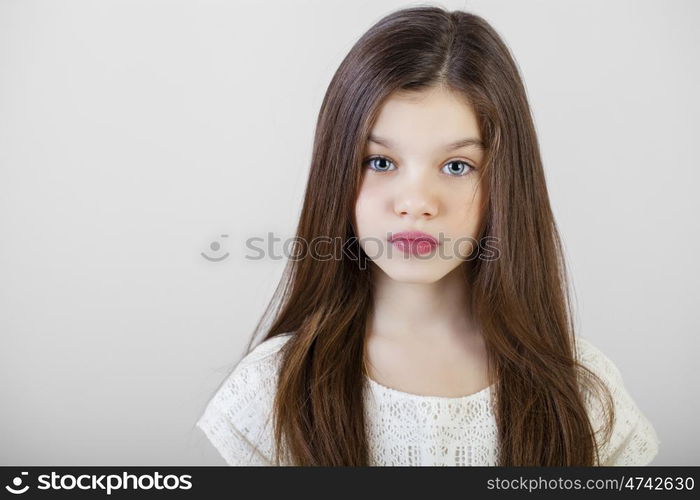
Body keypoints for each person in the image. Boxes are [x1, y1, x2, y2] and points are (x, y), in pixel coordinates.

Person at [196, 5, 660, 466]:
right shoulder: (271, 392)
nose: (416, 202)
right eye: (380, 162)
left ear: (506, 185)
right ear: (336, 172)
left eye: (457, 166)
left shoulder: (583, 394)